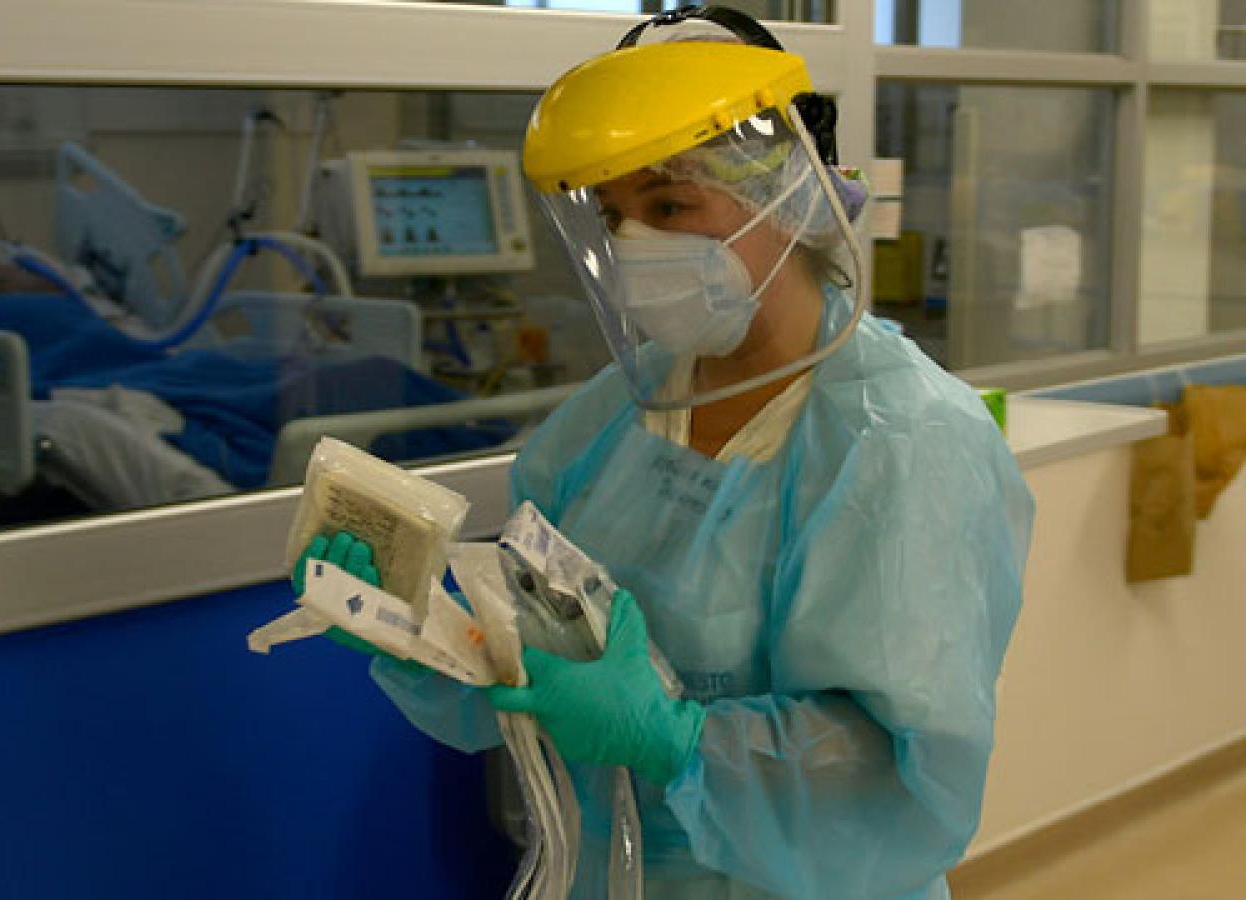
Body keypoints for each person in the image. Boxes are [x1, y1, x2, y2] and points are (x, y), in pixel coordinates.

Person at [295, 8, 1033, 898]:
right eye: (614, 215)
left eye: (670, 205)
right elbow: (534, 670)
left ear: (789, 194)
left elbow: (903, 780)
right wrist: (420, 633)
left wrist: (676, 741)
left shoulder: (906, 442)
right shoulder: (606, 421)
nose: (634, 244)